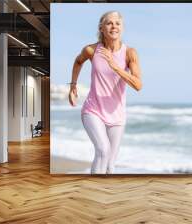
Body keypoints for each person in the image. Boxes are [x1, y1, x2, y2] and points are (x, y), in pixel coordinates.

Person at [68, 11, 142, 174]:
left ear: (122, 28)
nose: (114, 26)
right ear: (101, 28)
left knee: (110, 165)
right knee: (103, 150)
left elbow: (138, 85)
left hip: (117, 115)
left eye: (117, 23)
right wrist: (73, 85)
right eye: (109, 23)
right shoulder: (91, 50)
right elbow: (78, 61)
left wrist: (116, 67)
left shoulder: (130, 53)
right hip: (93, 110)